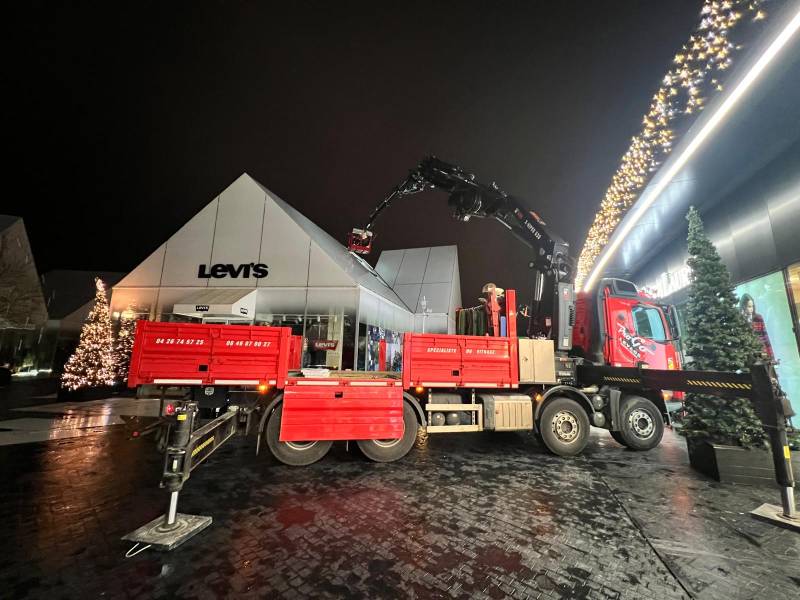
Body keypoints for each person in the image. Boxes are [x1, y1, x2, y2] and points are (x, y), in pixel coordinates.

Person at [739, 293, 774, 361]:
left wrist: (771, 356)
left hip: (762, 351)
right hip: (748, 354)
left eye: (752, 306)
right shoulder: (740, 320)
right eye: (749, 306)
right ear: (743, 306)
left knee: (766, 369)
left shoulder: (758, 318)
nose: (751, 309)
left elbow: (765, 337)